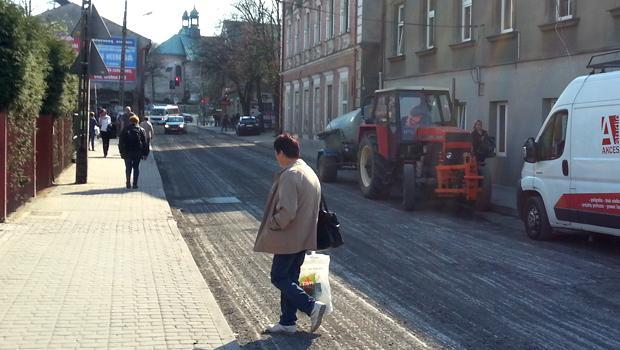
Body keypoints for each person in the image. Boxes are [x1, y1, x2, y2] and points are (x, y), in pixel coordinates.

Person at [253, 134, 327, 334]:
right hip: (303, 237)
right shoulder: (308, 171)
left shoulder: (291, 174)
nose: (276, 158)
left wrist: (273, 224)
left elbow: (287, 211)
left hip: (289, 238)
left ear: (281, 152)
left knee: (278, 277)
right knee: (290, 278)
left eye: (276, 154)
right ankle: (287, 322)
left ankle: (312, 306)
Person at [119, 115, 149, 189]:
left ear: (130, 121)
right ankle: (135, 184)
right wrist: (145, 154)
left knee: (128, 168)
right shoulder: (141, 130)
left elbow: (121, 142)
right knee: (136, 168)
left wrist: (121, 152)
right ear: (137, 121)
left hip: (127, 152)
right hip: (137, 152)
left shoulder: (125, 129)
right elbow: (145, 143)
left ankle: (128, 183)